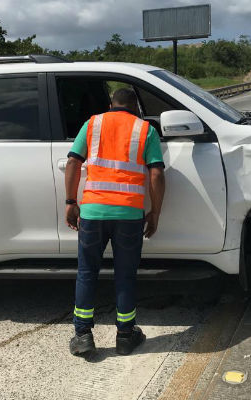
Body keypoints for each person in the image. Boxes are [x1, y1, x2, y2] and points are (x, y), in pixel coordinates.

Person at [64, 88, 166, 356]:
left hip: (93, 212)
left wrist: (70, 202)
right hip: (129, 214)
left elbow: (73, 163)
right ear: (135, 106)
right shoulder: (146, 130)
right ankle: (125, 335)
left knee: (87, 271)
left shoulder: (93, 123)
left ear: (111, 103)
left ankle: (83, 335)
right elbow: (156, 174)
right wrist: (155, 212)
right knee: (125, 275)